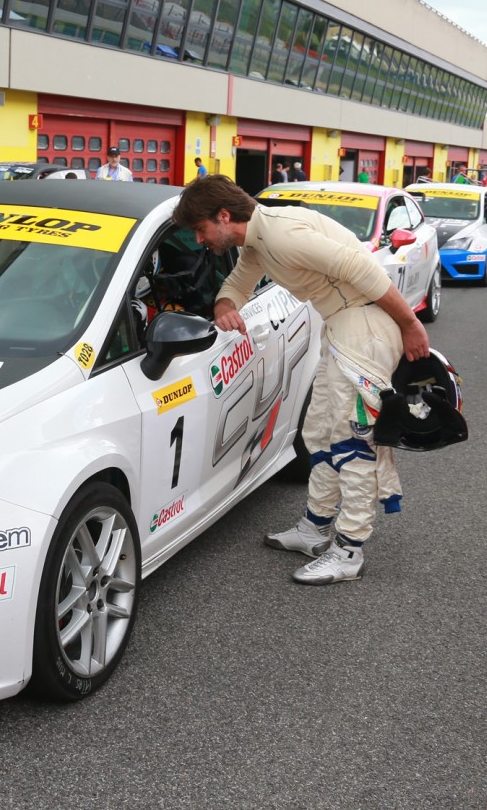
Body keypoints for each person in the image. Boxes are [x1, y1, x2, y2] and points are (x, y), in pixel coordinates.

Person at [171, 175, 430, 586]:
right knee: (320, 434)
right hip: (344, 326)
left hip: (364, 327)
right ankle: (315, 529)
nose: (200, 240)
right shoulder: (259, 238)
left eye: (201, 230)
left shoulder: (281, 235)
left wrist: (411, 325)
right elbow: (239, 282)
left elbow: (363, 268)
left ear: (224, 216)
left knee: (351, 441)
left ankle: (348, 551)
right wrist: (224, 306)